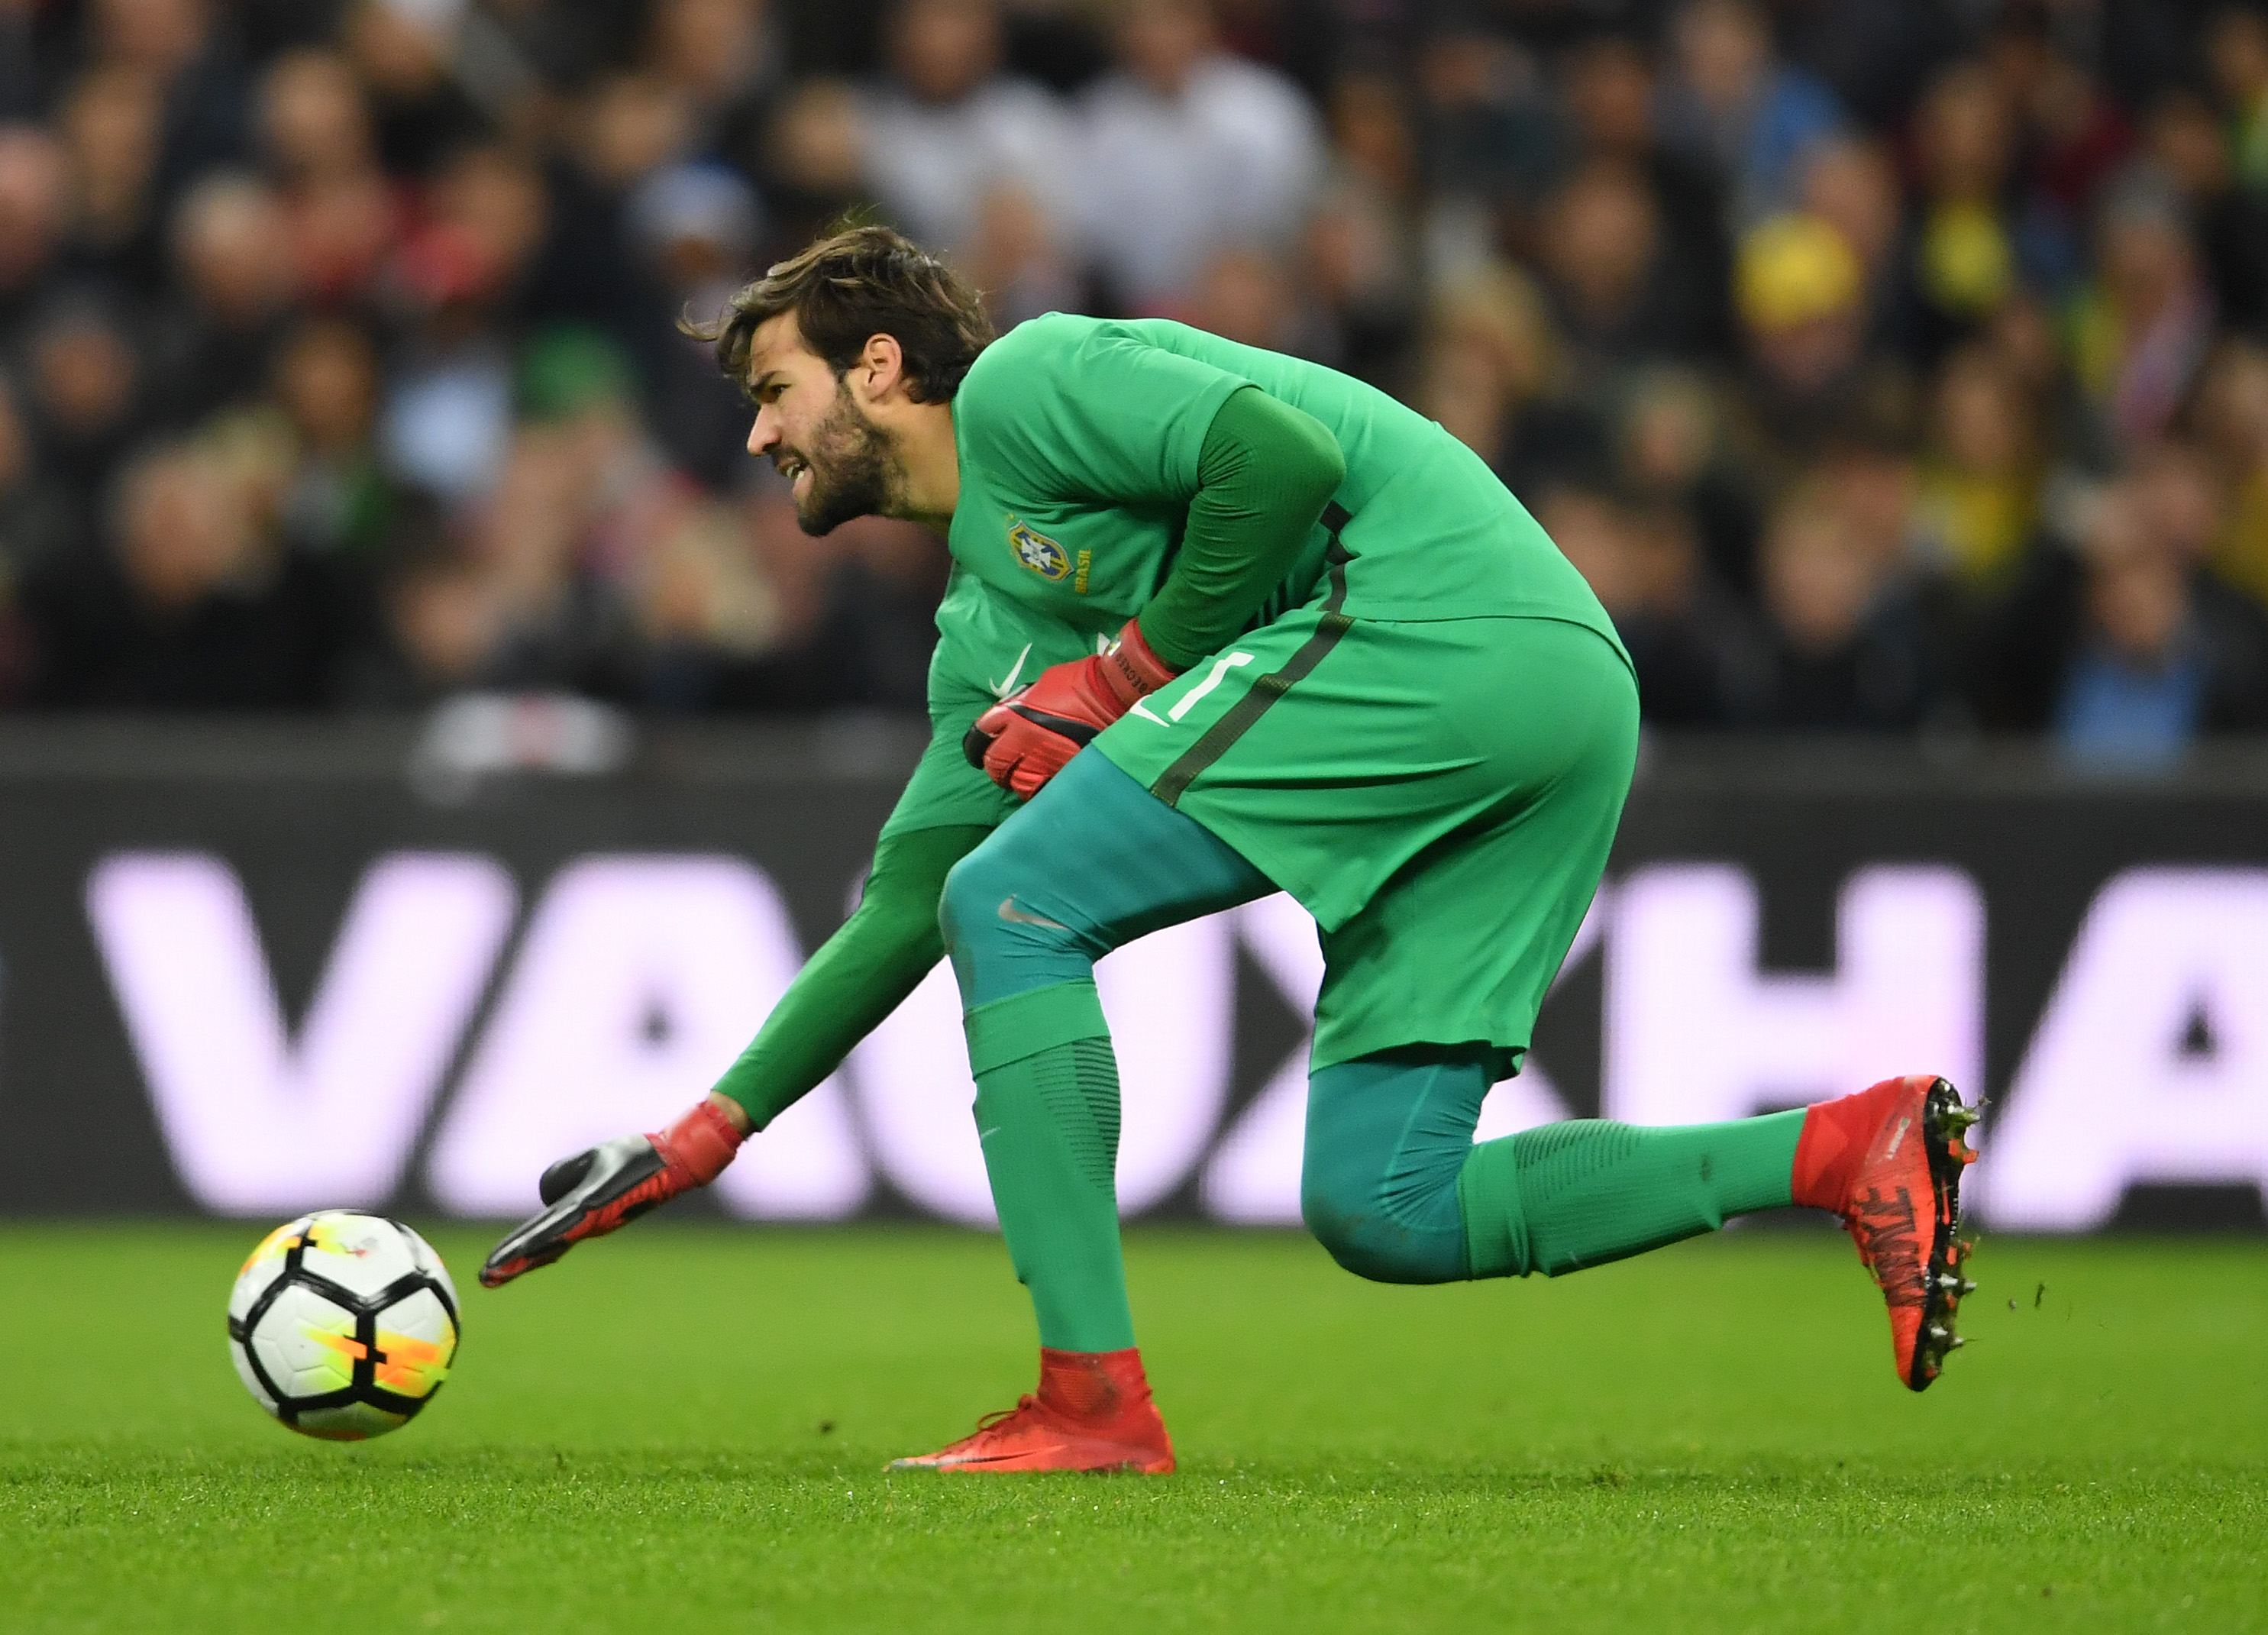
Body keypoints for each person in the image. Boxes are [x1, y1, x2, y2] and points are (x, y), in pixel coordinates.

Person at [480, 225, 1979, 1473]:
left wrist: (1124, 676)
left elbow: (1279, 449)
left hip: (1443, 630)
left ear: (877, 367)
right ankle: (1847, 1148)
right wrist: (708, 1129)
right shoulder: (983, 644)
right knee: (1386, 1206)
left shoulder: (1027, 384)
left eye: (775, 388)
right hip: (1552, 704)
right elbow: (905, 914)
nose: (756, 433)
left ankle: (1091, 1402)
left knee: (1021, 898)